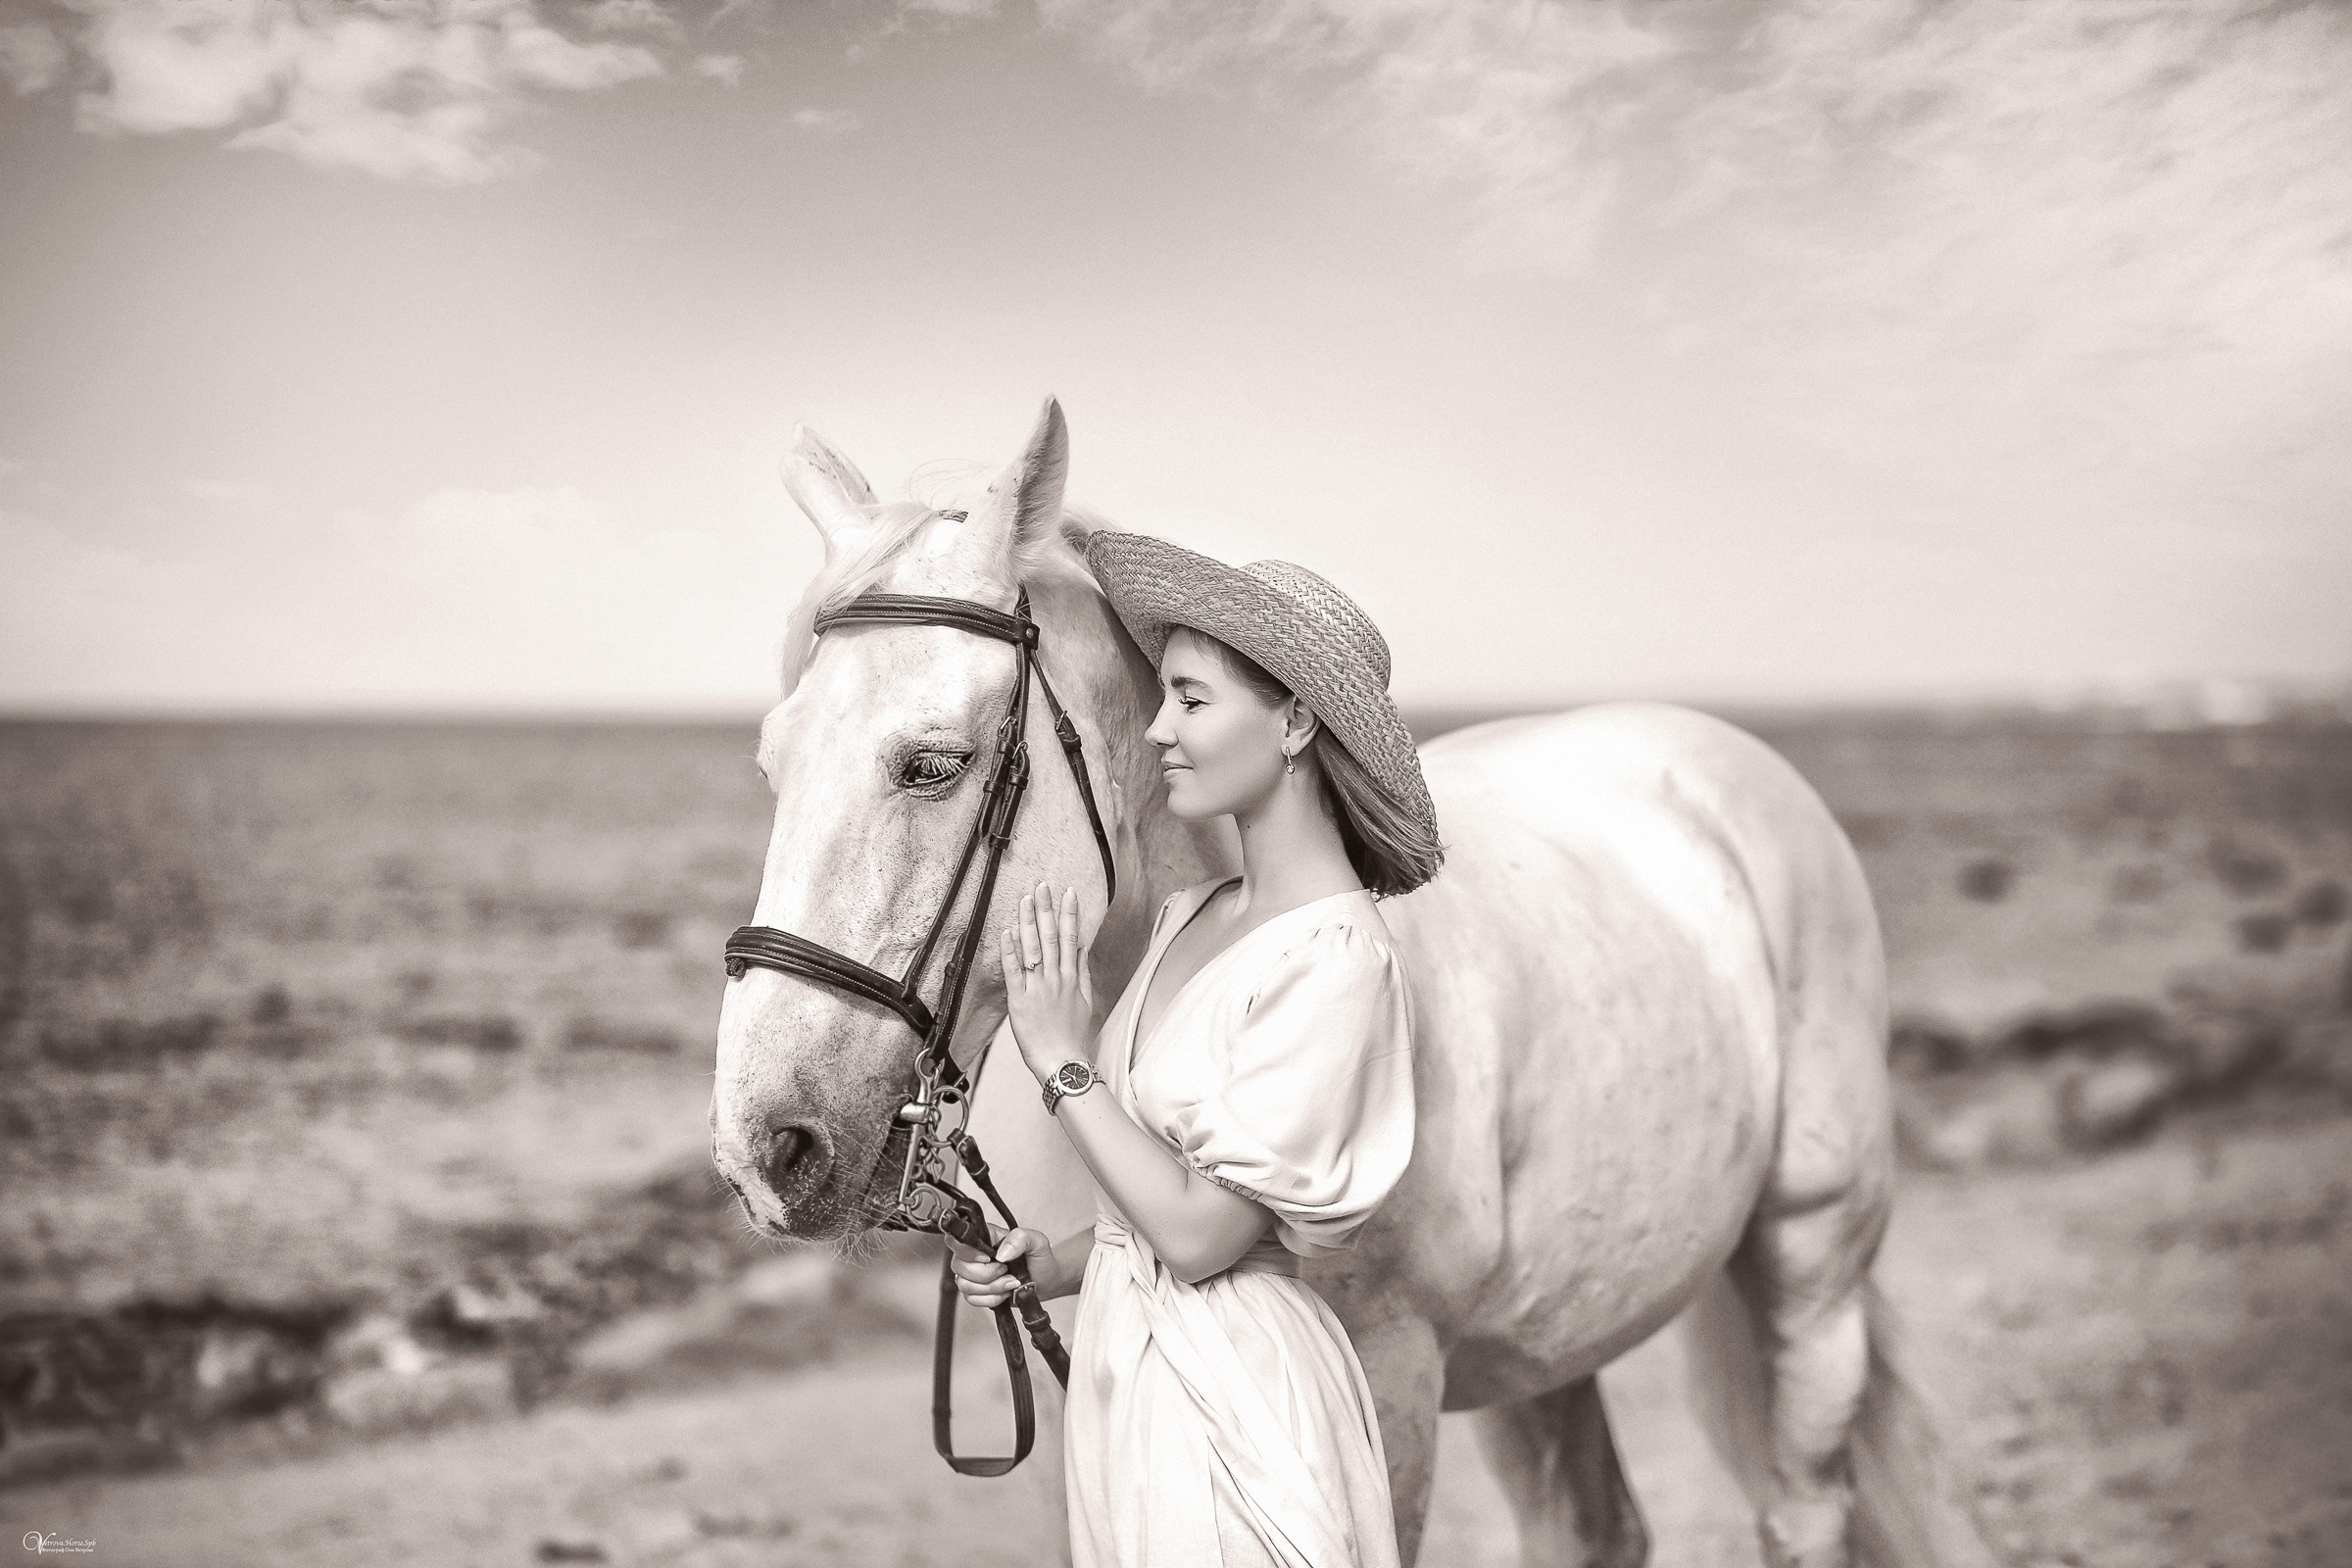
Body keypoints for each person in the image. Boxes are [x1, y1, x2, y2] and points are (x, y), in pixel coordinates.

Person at [951, 531, 1446, 1568]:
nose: (1159, 729)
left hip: (1238, 1402)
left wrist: (1061, 1058)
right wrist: (1055, 1263)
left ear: (1297, 721)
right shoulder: (1193, 914)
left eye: (1191, 698)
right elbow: (1160, 1207)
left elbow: (1208, 1238)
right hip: (1132, 1383)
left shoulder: (1339, 958)